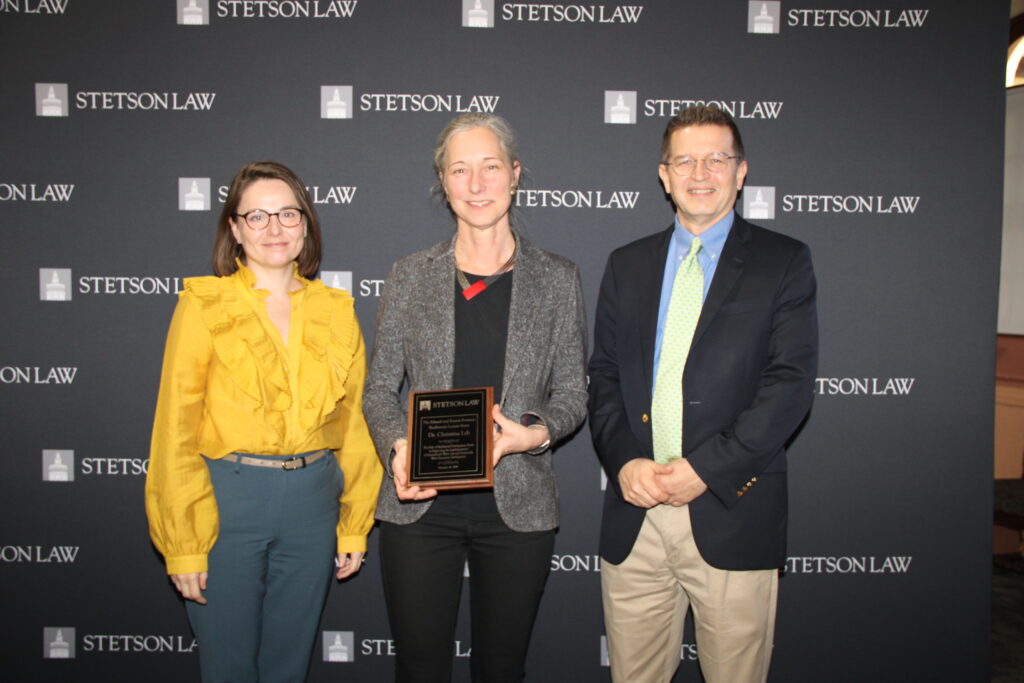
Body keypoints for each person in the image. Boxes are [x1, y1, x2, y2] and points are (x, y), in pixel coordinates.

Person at [589, 105, 818, 683]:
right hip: (636, 514)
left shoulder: (783, 261)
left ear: (741, 172)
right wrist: (624, 463)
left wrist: (705, 469)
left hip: (731, 509)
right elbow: (605, 376)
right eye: (685, 161)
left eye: (717, 159)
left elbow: (789, 385)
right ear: (664, 176)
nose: (700, 173)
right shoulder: (626, 264)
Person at [362, 113, 588, 682]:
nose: (477, 183)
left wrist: (532, 434)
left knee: (501, 670)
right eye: (460, 170)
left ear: (515, 174)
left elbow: (572, 392)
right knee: (419, 671)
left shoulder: (558, 278)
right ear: (443, 182)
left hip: (518, 507)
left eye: (490, 167)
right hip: (420, 507)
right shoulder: (409, 275)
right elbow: (379, 389)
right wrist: (397, 449)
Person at [145, 161, 382, 683]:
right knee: (227, 667)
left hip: (314, 503)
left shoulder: (337, 310)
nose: (274, 228)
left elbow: (355, 425)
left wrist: (353, 523)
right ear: (234, 229)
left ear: (306, 224)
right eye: (257, 216)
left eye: (287, 214)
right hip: (228, 503)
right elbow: (175, 429)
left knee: (288, 668)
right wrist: (183, 542)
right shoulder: (204, 306)